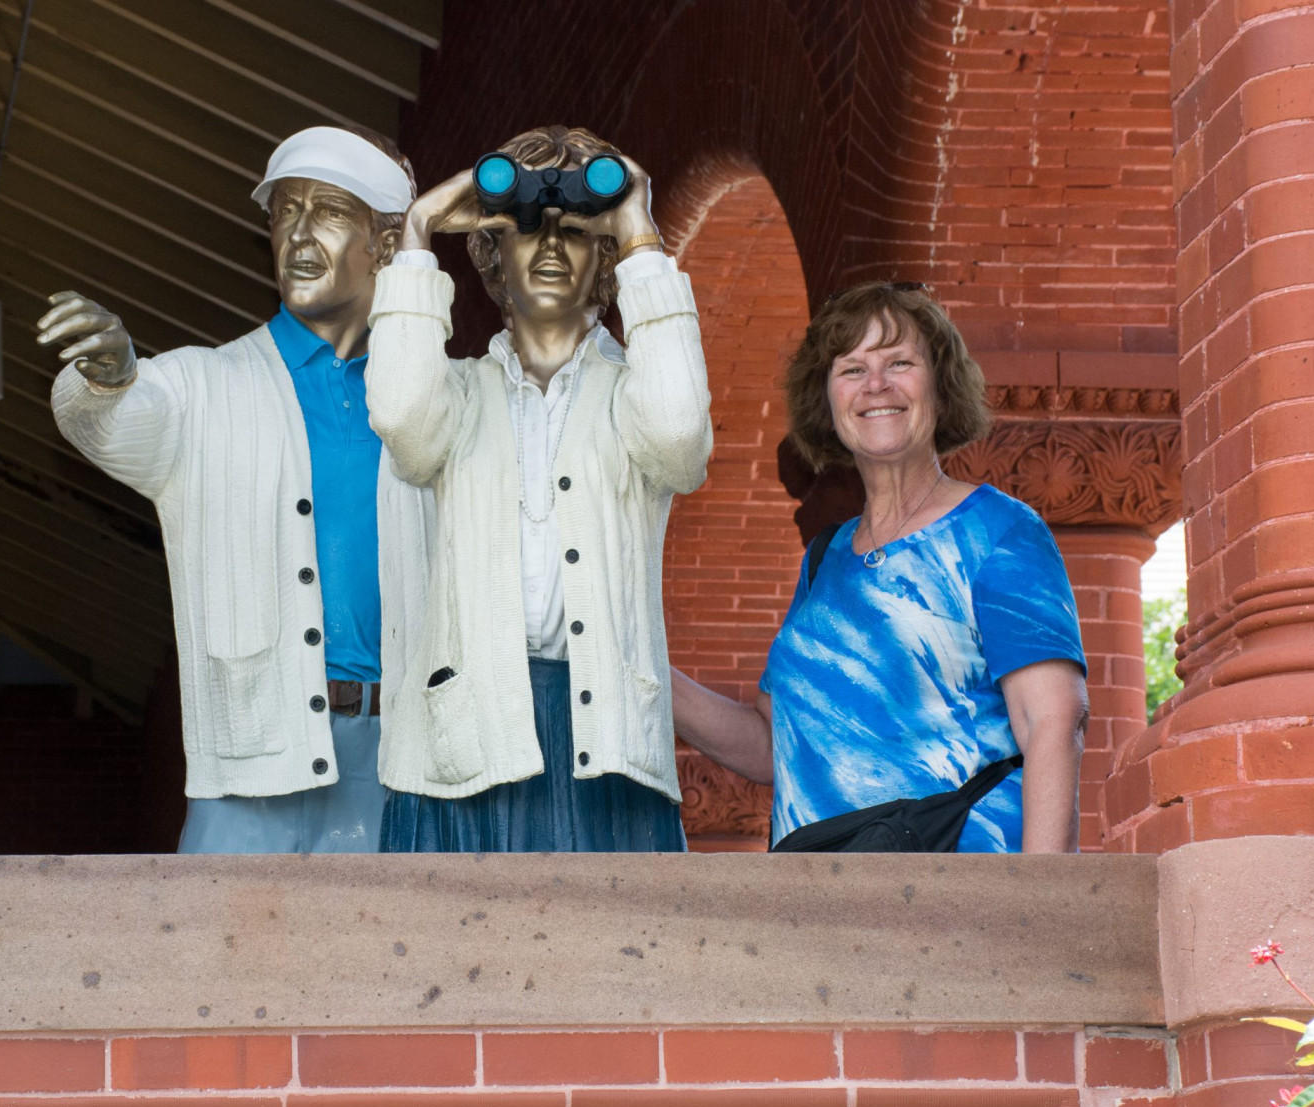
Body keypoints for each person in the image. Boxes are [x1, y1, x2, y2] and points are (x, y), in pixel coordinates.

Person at [36, 126, 435, 854]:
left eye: (329, 211)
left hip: (404, 763)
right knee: (217, 931)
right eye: (286, 212)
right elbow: (115, 422)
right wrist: (110, 379)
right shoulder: (206, 385)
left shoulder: (435, 398)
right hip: (253, 763)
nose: (300, 235)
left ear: (385, 244)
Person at [365, 126, 713, 852]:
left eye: (578, 232)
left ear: (605, 258)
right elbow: (400, 419)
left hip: (604, 742)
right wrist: (420, 229)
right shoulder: (457, 395)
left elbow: (681, 437)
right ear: (495, 255)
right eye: (527, 227)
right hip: (463, 739)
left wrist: (639, 229)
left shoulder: (633, 398)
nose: (551, 247)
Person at [671, 282, 1089, 852]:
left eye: (899, 362)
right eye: (852, 369)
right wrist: (640, 673)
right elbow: (774, 744)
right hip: (818, 886)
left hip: (962, 880)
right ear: (828, 400)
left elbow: (1054, 722)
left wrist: (1041, 894)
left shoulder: (998, 530)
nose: (876, 384)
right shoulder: (825, 558)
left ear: (940, 386)